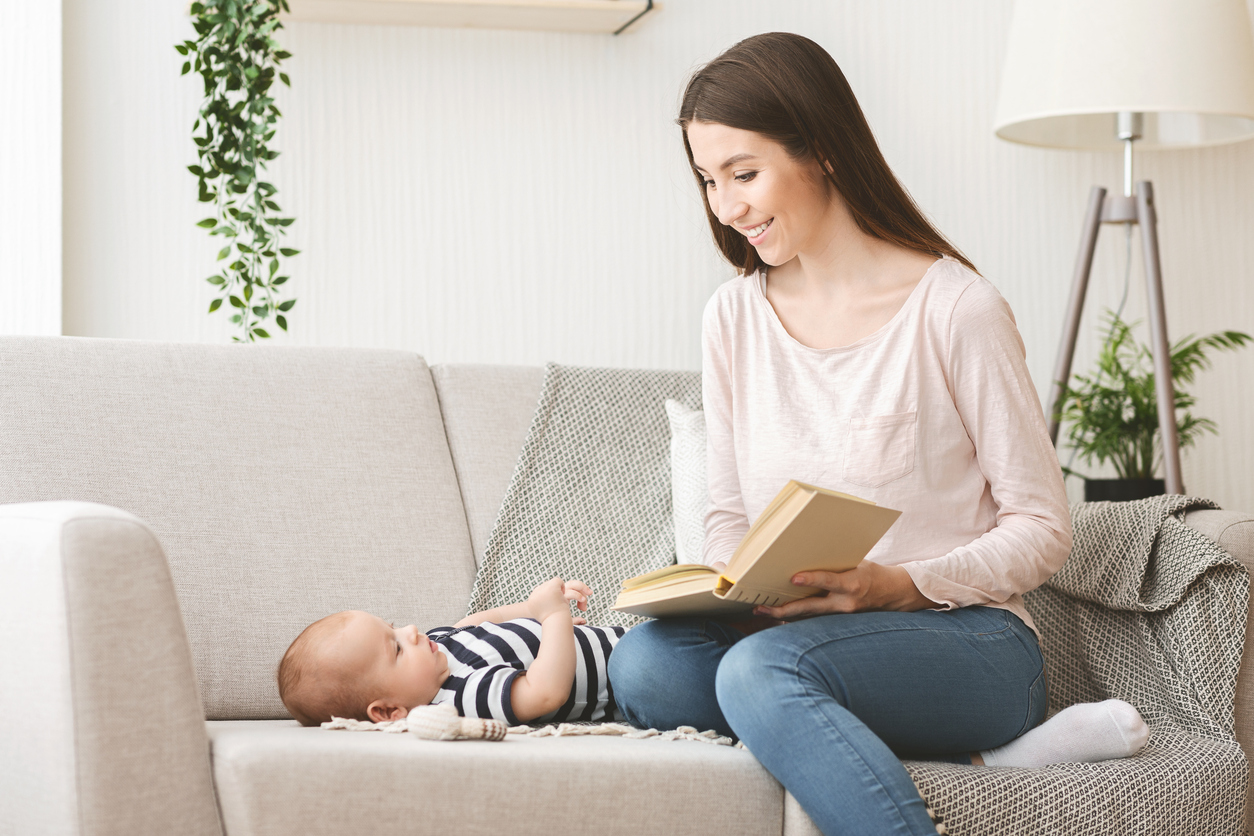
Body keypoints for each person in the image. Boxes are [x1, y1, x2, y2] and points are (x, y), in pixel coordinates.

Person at [606, 32, 1148, 835]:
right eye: (708, 180)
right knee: (645, 665)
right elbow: (725, 512)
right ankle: (979, 758)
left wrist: (894, 584)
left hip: (967, 641)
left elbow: (1042, 529)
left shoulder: (958, 310)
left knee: (760, 674)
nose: (726, 207)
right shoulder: (731, 318)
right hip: (803, 636)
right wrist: (736, 585)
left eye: (745, 174)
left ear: (821, 150)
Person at [278, 577, 625, 727]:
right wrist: (553, 620)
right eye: (396, 648)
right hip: (625, 677)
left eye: (393, 625)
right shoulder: (458, 698)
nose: (411, 632)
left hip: (617, 637)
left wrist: (541, 608)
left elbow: (481, 620)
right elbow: (545, 693)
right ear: (388, 711)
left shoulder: (438, 645)